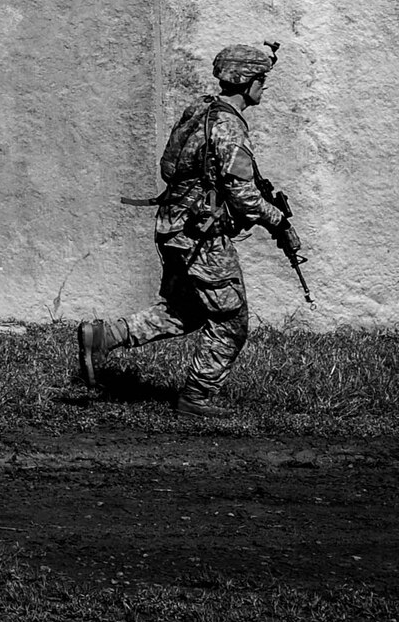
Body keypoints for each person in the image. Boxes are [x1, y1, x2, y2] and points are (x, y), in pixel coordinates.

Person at [77, 42, 300, 419]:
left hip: (173, 226)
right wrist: (278, 221)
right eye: (261, 78)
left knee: (185, 309)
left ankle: (104, 336)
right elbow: (245, 197)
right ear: (246, 81)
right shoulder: (229, 127)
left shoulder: (199, 111)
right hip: (201, 238)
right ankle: (196, 397)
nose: (265, 85)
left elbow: (168, 169)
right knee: (231, 321)